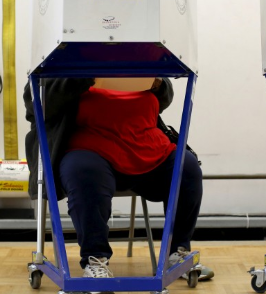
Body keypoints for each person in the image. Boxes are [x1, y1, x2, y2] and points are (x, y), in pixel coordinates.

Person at [23, 77, 213, 280]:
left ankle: (177, 253)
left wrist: (159, 83)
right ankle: (95, 259)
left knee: (187, 167)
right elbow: (34, 102)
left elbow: (164, 98)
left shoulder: (139, 54)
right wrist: (87, 75)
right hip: (91, 144)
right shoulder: (62, 54)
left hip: (144, 143)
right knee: (84, 173)